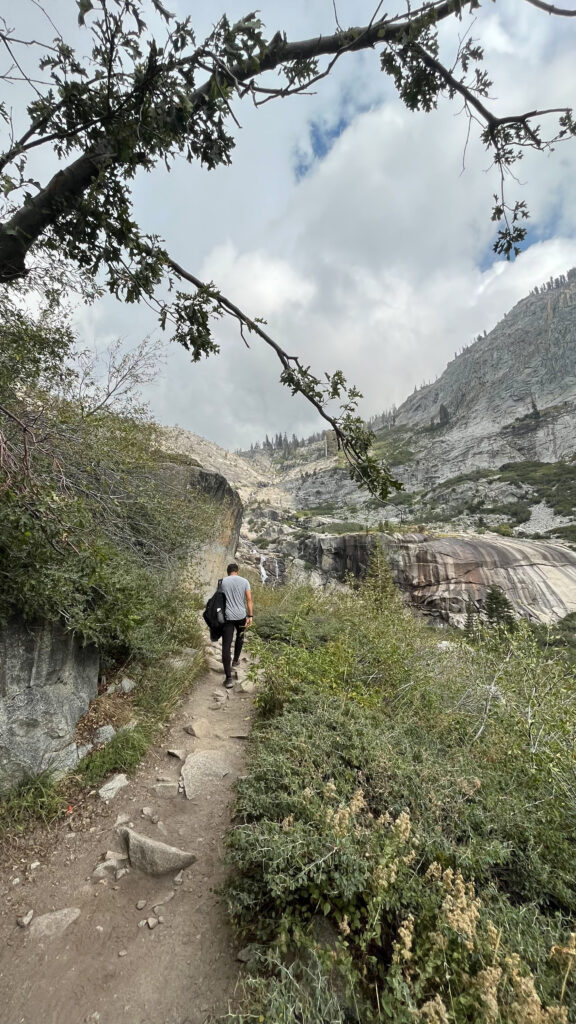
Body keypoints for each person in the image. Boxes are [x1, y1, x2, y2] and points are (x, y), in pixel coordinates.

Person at [220, 562, 253, 687]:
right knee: (240, 637)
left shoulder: (222, 582)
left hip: (227, 617)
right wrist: (250, 616)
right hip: (241, 615)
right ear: (237, 571)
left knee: (226, 645)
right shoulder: (245, 581)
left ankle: (228, 679)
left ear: (228, 572)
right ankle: (235, 661)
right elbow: (249, 600)